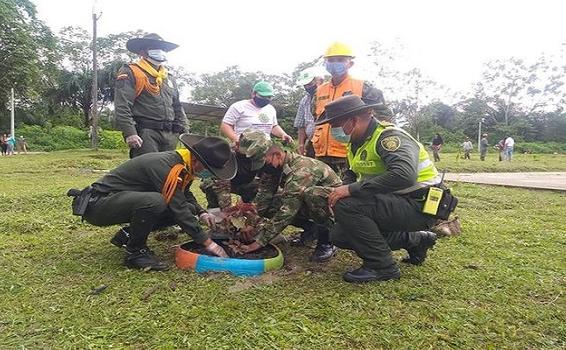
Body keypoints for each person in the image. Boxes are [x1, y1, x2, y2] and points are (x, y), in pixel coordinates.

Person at [316, 96, 445, 283]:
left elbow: (404, 174)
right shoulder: (356, 143)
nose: (334, 131)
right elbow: (352, 173)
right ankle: (417, 240)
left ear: (353, 120)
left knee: (347, 205)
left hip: (421, 205)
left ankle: (382, 266)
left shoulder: (389, 138)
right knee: (339, 235)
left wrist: (350, 191)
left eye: (336, 125)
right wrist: (341, 189)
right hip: (396, 203)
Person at [74, 135, 237, 271]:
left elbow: (184, 194)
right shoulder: (167, 167)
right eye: (207, 167)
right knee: (156, 201)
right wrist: (207, 242)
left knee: (187, 207)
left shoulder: (182, 164)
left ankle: (128, 235)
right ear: (196, 159)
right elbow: (177, 207)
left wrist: (201, 212)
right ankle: (135, 252)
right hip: (98, 206)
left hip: (118, 201)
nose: (208, 173)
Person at [235, 140, 342, 262]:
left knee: (311, 195)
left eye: (265, 163)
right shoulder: (275, 167)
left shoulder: (302, 170)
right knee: (275, 202)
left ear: (277, 155)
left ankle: (327, 240)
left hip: (336, 208)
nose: (263, 168)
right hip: (311, 206)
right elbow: (264, 196)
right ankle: (312, 230)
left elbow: (288, 211)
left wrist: (259, 242)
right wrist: (250, 224)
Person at [311, 42, 385, 178]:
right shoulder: (320, 90)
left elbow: (383, 116)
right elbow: (316, 119)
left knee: (346, 191)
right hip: (321, 154)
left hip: (349, 153)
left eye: (340, 60)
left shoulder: (363, 87)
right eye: (331, 60)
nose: (335, 63)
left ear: (350, 64)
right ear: (325, 63)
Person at [114, 33, 188, 159]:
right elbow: (122, 105)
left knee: (167, 172)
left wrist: (184, 130)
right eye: (154, 47)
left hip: (171, 134)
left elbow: (177, 106)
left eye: (163, 48)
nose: (160, 51)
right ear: (142, 51)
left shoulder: (168, 77)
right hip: (146, 133)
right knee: (146, 172)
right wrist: (130, 133)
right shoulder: (131, 71)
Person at [200, 129, 271, 209]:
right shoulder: (227, 154)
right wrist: (228, 210)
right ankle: (215, 210)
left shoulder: (264, 157)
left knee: (271, 192)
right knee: (210, 183)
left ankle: (250, 208)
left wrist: (255, 206)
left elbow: (266, 184)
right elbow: (221, 184)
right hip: (224, 182)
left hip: (245, 183)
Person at [220, 81, 293, 144]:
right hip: (243, 148)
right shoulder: (239, 106)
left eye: (269, 97)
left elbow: (273, 126)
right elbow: (225, 125)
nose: (266, 99)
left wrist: (283, 134)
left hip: (264, 148)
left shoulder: (270, 109)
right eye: (263, 96)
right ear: (254, 94)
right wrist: (236, 139)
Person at [294, 67, 324, 157]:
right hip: (311, 142)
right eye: (305, 85)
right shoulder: (304, 100)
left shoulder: (328, 96)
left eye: (310, 83)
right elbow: (301, 125)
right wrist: (301, 144)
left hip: (327, 142)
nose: (307, 87)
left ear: (319, 80)